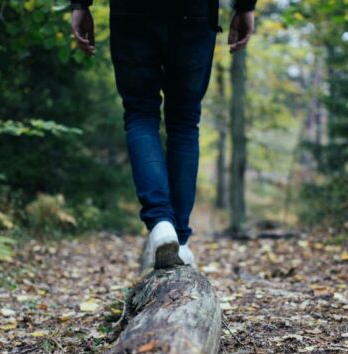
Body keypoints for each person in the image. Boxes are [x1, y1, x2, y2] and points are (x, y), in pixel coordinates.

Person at [70, 0, 256, 270]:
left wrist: (79, 5)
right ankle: (178, 239)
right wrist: (245, 7)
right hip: (193, 12)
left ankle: (161, 224)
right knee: (184, 123)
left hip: (132, 12)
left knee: (141, 115)